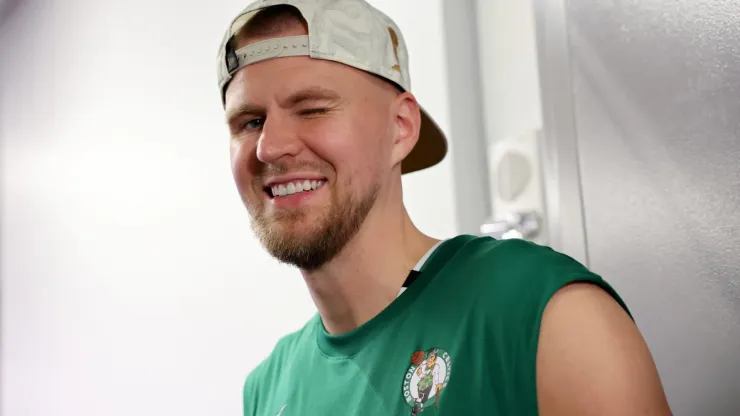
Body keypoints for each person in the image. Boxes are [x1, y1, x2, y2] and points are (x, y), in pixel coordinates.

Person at [215, 0, 672, 414]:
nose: (269, 148)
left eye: (312, 109)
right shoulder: (268, 390)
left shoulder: (539, 313)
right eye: (250, 122)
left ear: (400, 128)